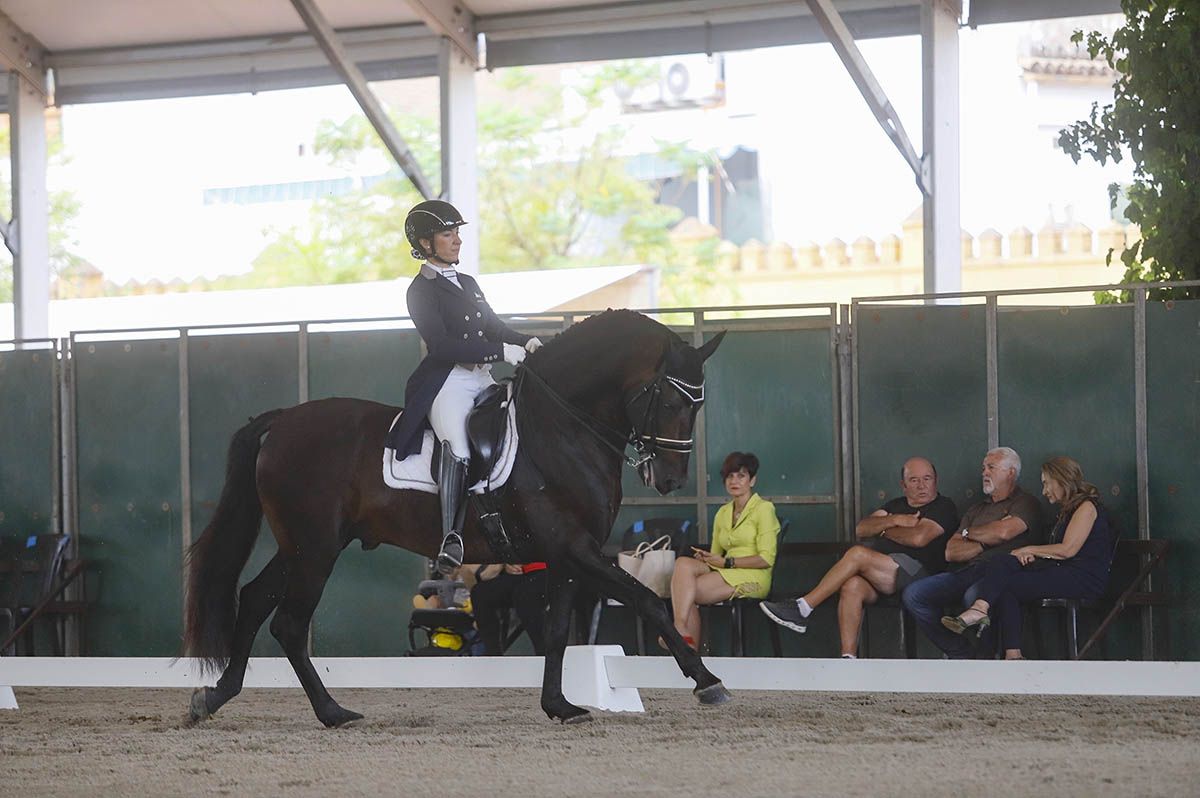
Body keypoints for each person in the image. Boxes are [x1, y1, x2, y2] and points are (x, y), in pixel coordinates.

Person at [384, 200, 541, 574]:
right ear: (425, 243)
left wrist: (526, 341)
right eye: (447, 234)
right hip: (447, 382)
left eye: (457, 233)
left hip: (480, 378)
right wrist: (502, 351)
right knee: (457, 444)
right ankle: (451, 537)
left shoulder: (468, 283)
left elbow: (494, 326)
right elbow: (442, 345)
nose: (456, 241)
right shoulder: (420, 291)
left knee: (515, 433)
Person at [759, 457, 959, 657]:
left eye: (927, 478)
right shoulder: (895, 506)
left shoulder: (943, 506)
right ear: (903, 485)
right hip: (884, 576)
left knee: (857, 554)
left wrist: (883, 530)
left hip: (920, 576)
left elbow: (918, 538)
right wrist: (896, 520)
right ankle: (848, 659)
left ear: (936, 481)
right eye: (914, 480)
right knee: (852, 585)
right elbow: (862, 528)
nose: (922, 485)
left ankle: (803, 607)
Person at [940, 456, 1115, 659]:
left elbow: (1068, 550)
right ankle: (1001, 638)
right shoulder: (1067, 510)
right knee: (1003, 562)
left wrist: (1029, 550)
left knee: (1007, 581)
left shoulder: (1086, 507)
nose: (1044, 491)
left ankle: (991, 630)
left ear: (1061, 480)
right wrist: (1028, 555)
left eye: (1046, 483)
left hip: (1083, 578)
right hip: (1062, 570)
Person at [901, 447, 1044, 658]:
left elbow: (1004, 532)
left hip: (998, 574)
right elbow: (951, 551)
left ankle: (986, 660)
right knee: (914, 594)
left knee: (974, 597)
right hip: (965, 571)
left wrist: (971, 536)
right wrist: (984, 541)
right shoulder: (976, 509)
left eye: (991, 467)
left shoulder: (1026, 503)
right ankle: (961, 652)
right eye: (983, 468)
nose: (984, 473)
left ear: (1011, 472)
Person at [667, 451, 779, 650]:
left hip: (754, 576)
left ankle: (683, 643)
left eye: (741, 476)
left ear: (752, 481)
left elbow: (766, 559)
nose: (734, 481)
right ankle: (681, 632)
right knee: (683, 564)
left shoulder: (764, 509)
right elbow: (716, 554)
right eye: (730, 476)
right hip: (726, 570)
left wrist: (728, 562)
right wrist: (706, 558)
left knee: (688, 591)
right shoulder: (723, 512)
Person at [469, 562, 548, 655]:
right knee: (480, 593)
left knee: (524, 593)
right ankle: (494, 657)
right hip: (525, 573)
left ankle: (545, 654)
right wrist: (507, 562)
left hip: (551, 570)